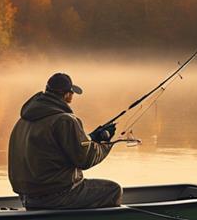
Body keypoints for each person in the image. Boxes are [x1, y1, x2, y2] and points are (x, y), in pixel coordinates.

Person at [8, 72, 122, 209]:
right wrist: (105, 144)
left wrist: (92, 138)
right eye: (72, 93)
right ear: (67, 95)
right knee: (113, 190)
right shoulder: (64, 120)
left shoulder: (24, 120)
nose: (72, 97)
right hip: (56, 195)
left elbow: (57, 146)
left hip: (28, 197)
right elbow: (85, 159)